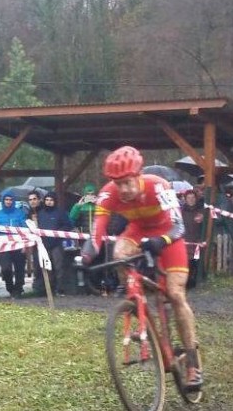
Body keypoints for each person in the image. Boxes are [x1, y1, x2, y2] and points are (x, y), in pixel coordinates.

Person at [80, 146, 202, 388]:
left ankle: (192, 362)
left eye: (127, 183)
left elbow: (179, 228)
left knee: (176, 295)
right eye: (117, 184)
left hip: (168, 235)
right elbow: (96, 236)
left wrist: (161, 241)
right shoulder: (107, 195)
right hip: (138, 231)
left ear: (138, 175)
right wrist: (83, 257)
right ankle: (138, 307)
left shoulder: (158, 186)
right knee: (119, 252)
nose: (122, 190)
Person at [36, 191, 74, 295]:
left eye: (51, 200)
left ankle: (60, 289)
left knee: (59, 267)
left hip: (57, 244)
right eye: (47, 200)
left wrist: (58, 232)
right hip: (44, 244)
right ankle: (49, 290)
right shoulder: (40, 213)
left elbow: (68, 225)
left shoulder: (60, 213)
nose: (49, 202)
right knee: (46, 268)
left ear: (55, 201)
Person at [0, 190, 29, 297]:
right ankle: (10, 287)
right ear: (3, 201)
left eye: (10, 200)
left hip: (18, 245)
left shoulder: (20, 213)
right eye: (6, 199)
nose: (8, 202)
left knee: (20, 268)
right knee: (5, 268)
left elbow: (24, 229)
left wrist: (24, 244)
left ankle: (18, 289)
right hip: (4, 245)